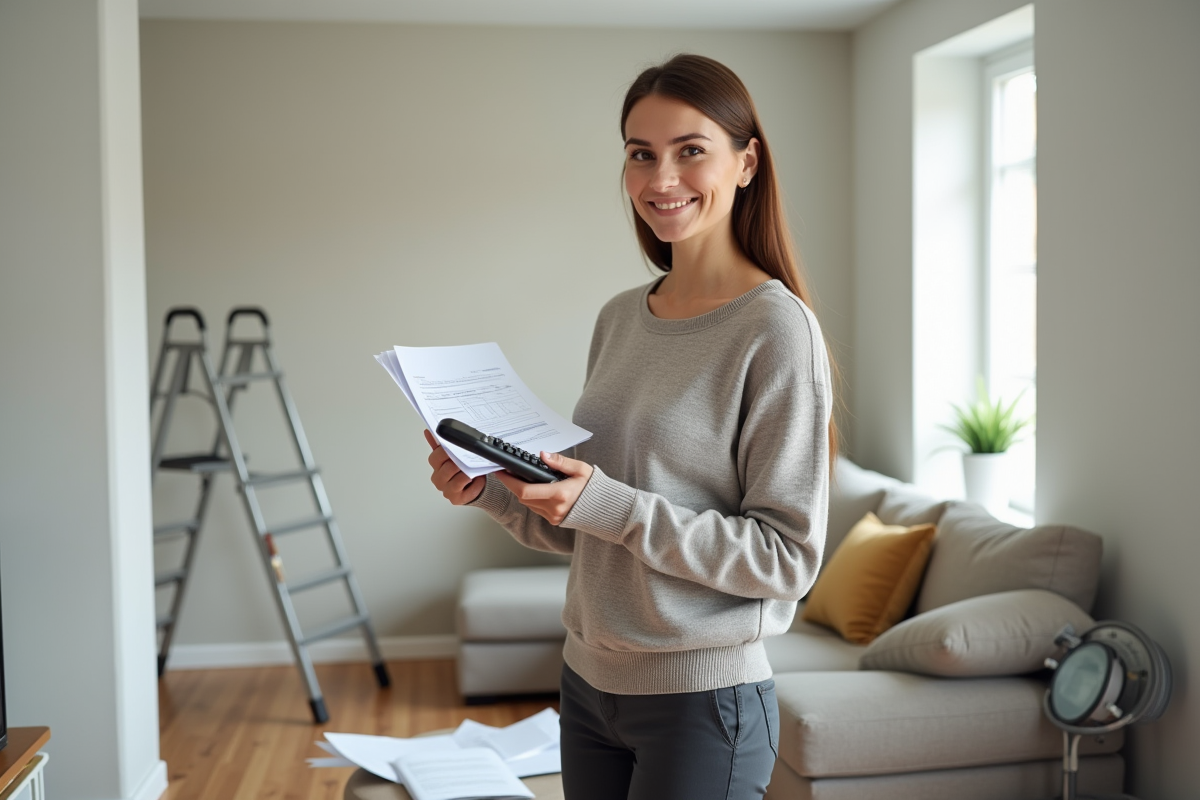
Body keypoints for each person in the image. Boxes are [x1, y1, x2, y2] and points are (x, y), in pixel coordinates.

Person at [424, 53, 836, 800]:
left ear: (746, 164)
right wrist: (489, 491)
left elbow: (785, 559)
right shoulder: (620, 318)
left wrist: (606, 504)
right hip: (587, 684)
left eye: (690, 151)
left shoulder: (776, 330)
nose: (660, 179)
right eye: (641, 154)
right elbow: (590, 531)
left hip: (702, 705)